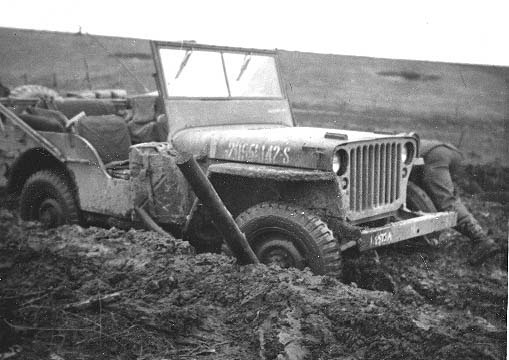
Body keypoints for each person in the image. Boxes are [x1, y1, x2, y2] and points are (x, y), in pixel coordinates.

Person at [419, 139, 500, 265]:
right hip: (451, 152)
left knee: (446, 202)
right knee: (450, 199)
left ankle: (481, 239)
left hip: (435, 156)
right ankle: (479, 235)